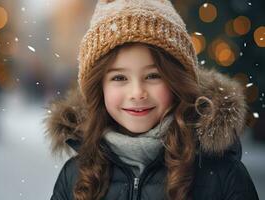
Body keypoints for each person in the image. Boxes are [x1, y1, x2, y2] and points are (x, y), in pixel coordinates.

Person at [44, 0, 259, 199]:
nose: (137, 92)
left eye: (153, 76)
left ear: (177, 81)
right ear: (99, 88)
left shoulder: (222, 175)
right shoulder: (74, 176)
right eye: (119, 77)